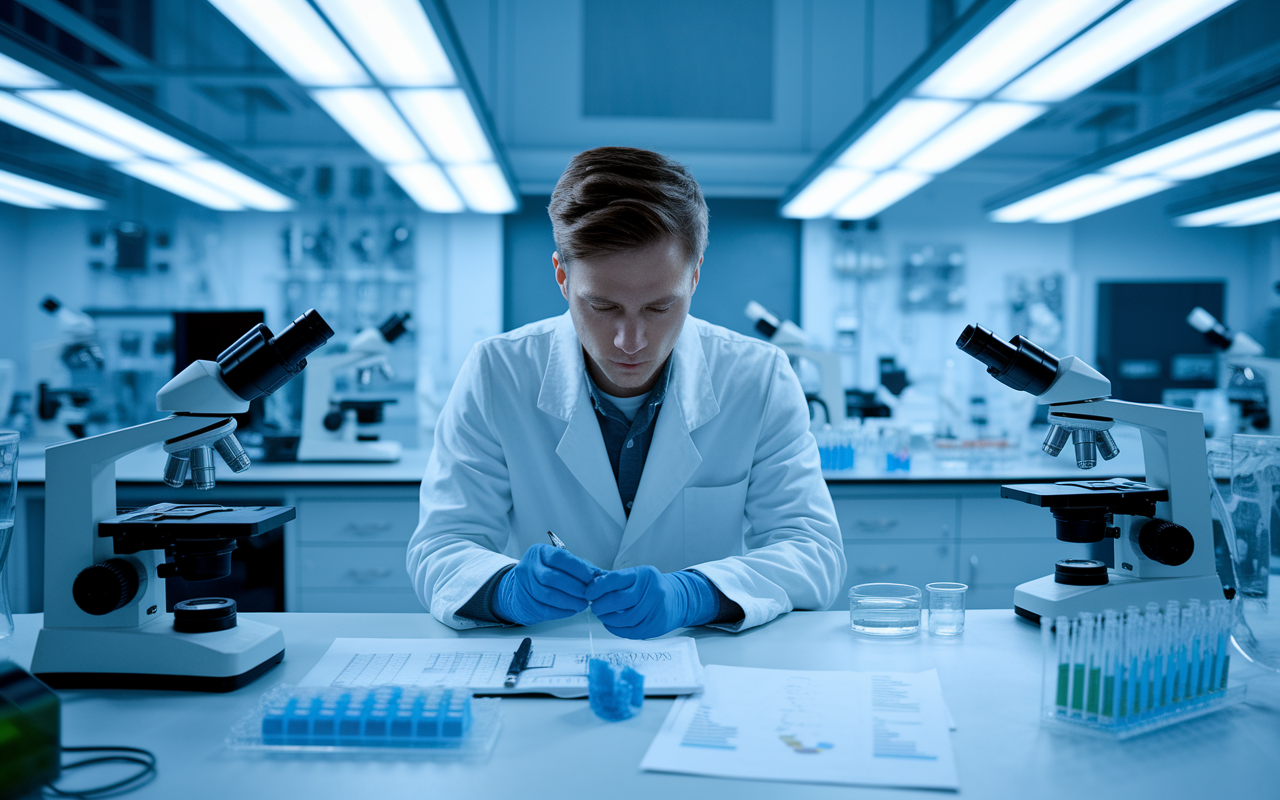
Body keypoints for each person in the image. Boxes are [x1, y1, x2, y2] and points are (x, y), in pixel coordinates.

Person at [407, 146, 845, 638]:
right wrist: (506, 589)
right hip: (551, 661)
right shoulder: (498, 372)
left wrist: (695, 595)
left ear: (695, 275)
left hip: (707, 662)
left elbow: (813, 550)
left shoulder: (758, 378)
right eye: (602, 306)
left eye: (659, 308)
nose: (630, 341)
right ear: (561, 276)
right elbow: (441, 547)